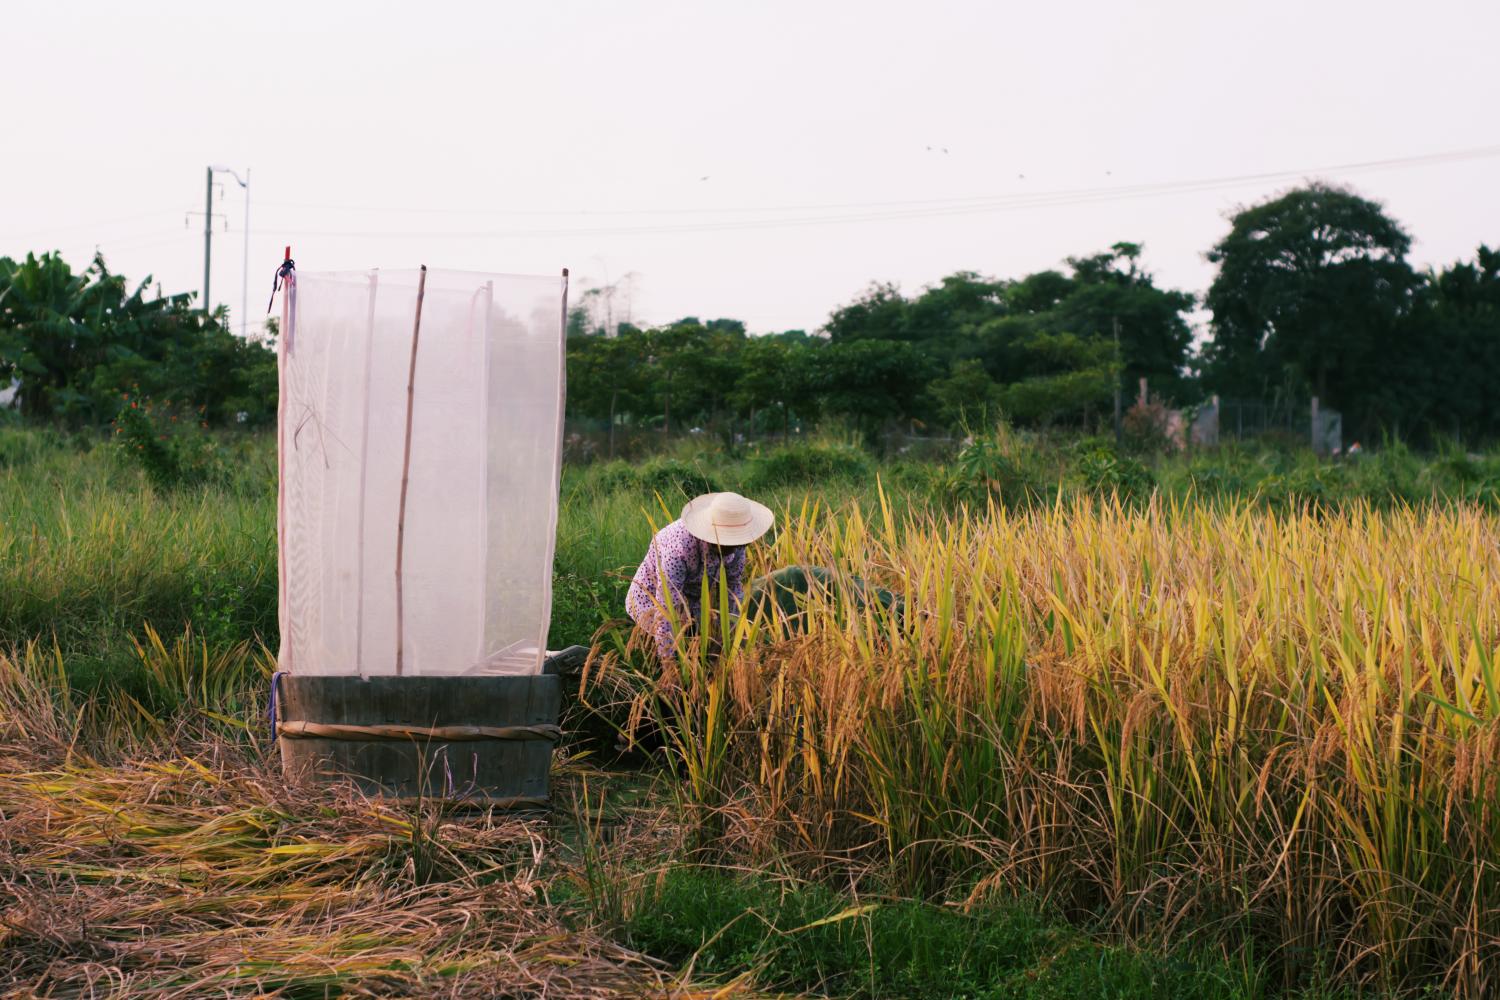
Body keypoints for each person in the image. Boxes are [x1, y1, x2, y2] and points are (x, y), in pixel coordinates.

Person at [625, 491, 775, 661]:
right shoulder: (678, 549)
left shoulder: (737, 546)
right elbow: (667, 611)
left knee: (702, 656)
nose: (735, 549)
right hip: (653, 601)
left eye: (739, 543)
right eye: (728, 543)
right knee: (666, 661)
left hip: (692, 601)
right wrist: (670, 668)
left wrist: (730, 635)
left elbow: (732, 590)